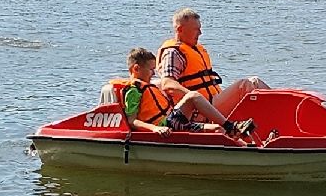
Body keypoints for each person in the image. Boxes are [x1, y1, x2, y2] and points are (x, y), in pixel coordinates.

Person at [101, 47, 253, 139]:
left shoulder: (148, 86)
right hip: (167, 125)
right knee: (194, 97)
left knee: (216, 128)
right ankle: (231, 127)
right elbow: (132, 121)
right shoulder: (134, 90)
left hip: (173, 121)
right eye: (150, 69)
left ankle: (237, 137)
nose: (153, 73)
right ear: (136, 69)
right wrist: (155, 129)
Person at [156, 8, 270, 115]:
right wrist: (194, 97)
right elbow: (167, 83)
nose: (200, 33)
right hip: (201, 109)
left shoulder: (195, 49)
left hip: (213, 101)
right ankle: (281, 116)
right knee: (246, 85)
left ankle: (281, 112)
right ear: (180, 29)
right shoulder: (173, 52)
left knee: (254, 85)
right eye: (196, 29)